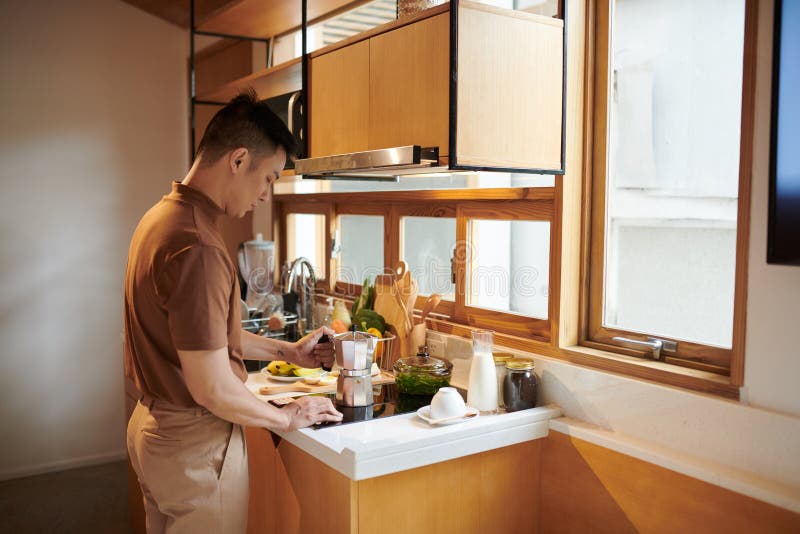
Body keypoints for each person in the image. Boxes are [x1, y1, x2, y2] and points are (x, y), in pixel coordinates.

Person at [123, 89, 343, 533]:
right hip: (194, 446)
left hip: (153, 429)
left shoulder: (162, 218)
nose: (266, 195)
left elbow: (203, 339)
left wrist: (290, 351)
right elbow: (210, 386)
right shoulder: (199, 245)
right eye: (269, 178)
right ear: (239, 160)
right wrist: (286, 416)